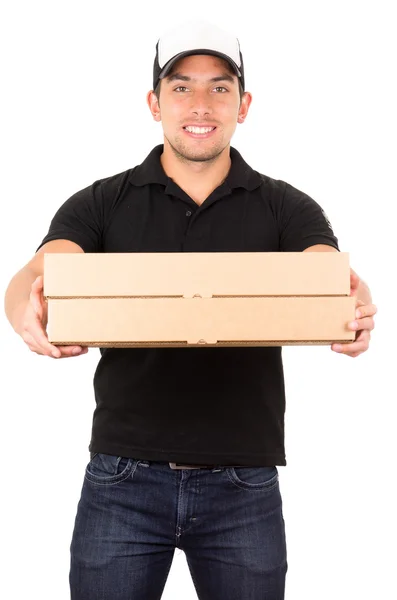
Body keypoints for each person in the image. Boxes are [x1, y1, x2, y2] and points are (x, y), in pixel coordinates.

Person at [4, 19, 377, 600]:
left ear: (243, 104)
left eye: (219, 87)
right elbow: (45, 266)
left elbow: (326, 270)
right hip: (121, 478)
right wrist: (19, 305)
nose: (200, 104)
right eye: (180, 87)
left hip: (243, 482)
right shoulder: (104, 200)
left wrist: (352, 302)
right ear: (154, 103)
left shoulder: (285, 206)